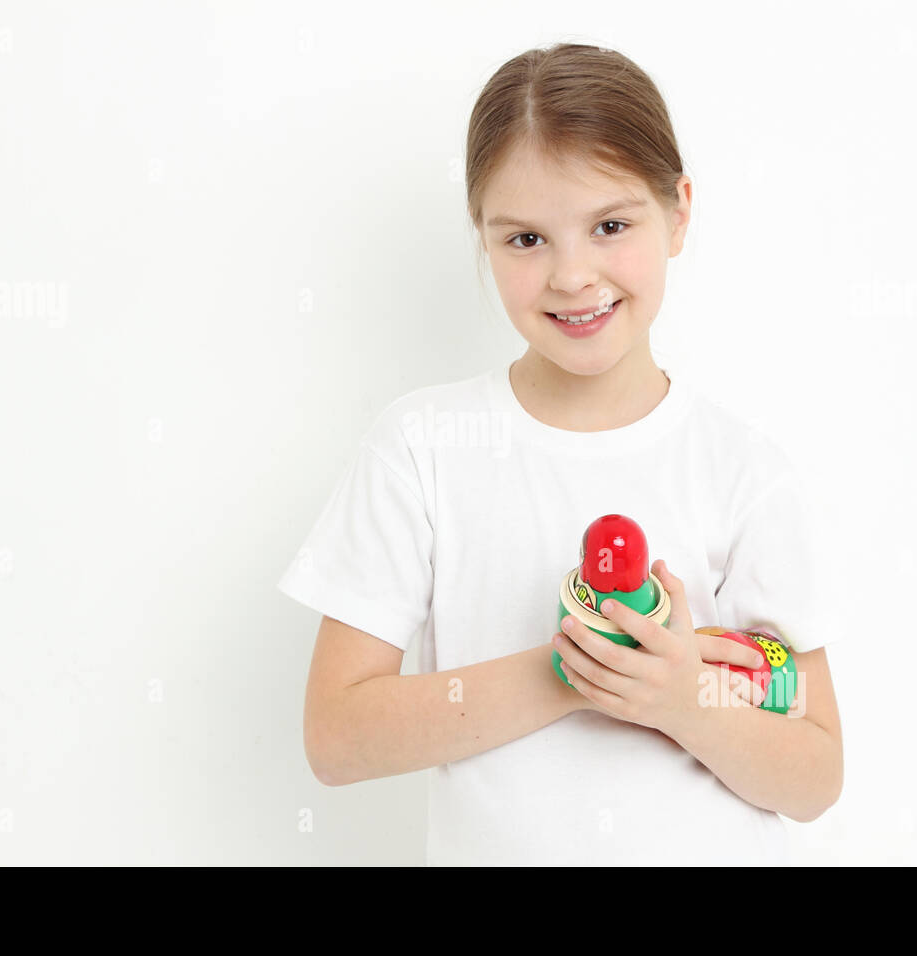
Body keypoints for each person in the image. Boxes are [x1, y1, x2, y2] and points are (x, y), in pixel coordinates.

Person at [277, 42, 843, 866]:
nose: (573, 276)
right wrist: (569, 674)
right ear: (482, 236)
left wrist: (681, 697)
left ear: (678, 212)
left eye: (610, 226)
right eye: (526, 239)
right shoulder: (423, 448)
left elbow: (816, 773)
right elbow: (336, 737)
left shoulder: (742, 472)